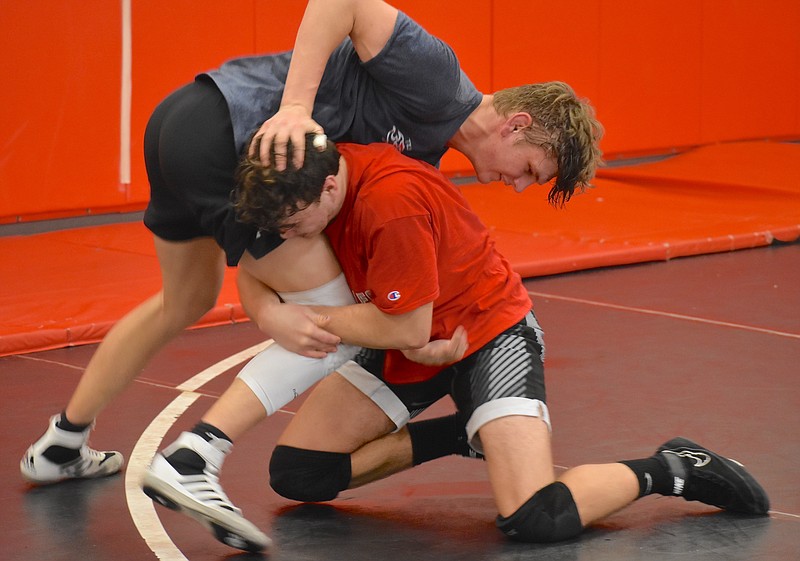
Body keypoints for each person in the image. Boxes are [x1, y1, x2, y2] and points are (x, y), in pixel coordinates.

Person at [21, 0, 601, 487]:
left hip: (183, 123)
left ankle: (62, 444)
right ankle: (197, 457)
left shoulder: (422, 156)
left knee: (186, 300)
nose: (519, 185)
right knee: (344, 317)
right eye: (532, 169)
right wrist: (296, 106)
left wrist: (406, 335)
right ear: (518, 124)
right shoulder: (441, 81)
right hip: (234, 139)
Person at [142, 136, 769, 553]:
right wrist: (270, 309)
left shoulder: (389, 207)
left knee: (534, 517)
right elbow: (261, 264)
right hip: (407, 335)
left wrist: (302, 316)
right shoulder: (306, 170)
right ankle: (464, 433)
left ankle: (675, 468)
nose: (287, 237)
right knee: (300, 474)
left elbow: (410, 332)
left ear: (330, 189)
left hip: (485, 334)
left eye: (294, 224)